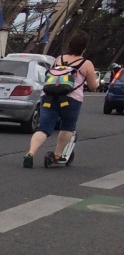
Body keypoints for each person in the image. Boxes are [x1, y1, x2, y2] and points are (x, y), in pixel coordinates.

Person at [25, 30, 97, 168]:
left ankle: (30, 153)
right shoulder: (86, 64)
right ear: (84, 47)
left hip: (49, 97)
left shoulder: (59, 59)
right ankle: (57, 155)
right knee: (68, 127)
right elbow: (93, 86)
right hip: (71, 99)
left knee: (43, 128)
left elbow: (49, 76)